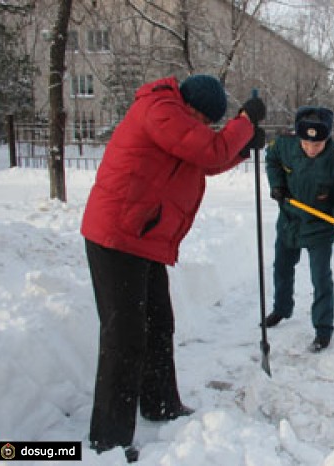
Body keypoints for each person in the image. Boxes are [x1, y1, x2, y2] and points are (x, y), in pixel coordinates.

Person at [80, 74, 265, 462]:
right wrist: (244, 123)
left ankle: (159, 403)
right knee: (124, 338)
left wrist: (242, 148)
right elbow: (209, 150)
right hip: (116, 235)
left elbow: (204, 158)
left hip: (141, 234)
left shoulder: (176, 119)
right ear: (194, 110)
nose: (207, 129)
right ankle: (108, 441)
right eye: (207, 123)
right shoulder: (160, 110)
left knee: (158, 324)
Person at [263, 106, 334, 352]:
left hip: (320, 226)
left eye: (317, 144)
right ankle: (281, 309)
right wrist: (277, 186)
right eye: (305, 143)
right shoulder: (285, 144)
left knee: (320, 278)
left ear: (327, 138)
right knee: (282, 268)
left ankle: (323, 329)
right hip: (289, 221)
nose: (310, 148)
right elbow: (271, 160)